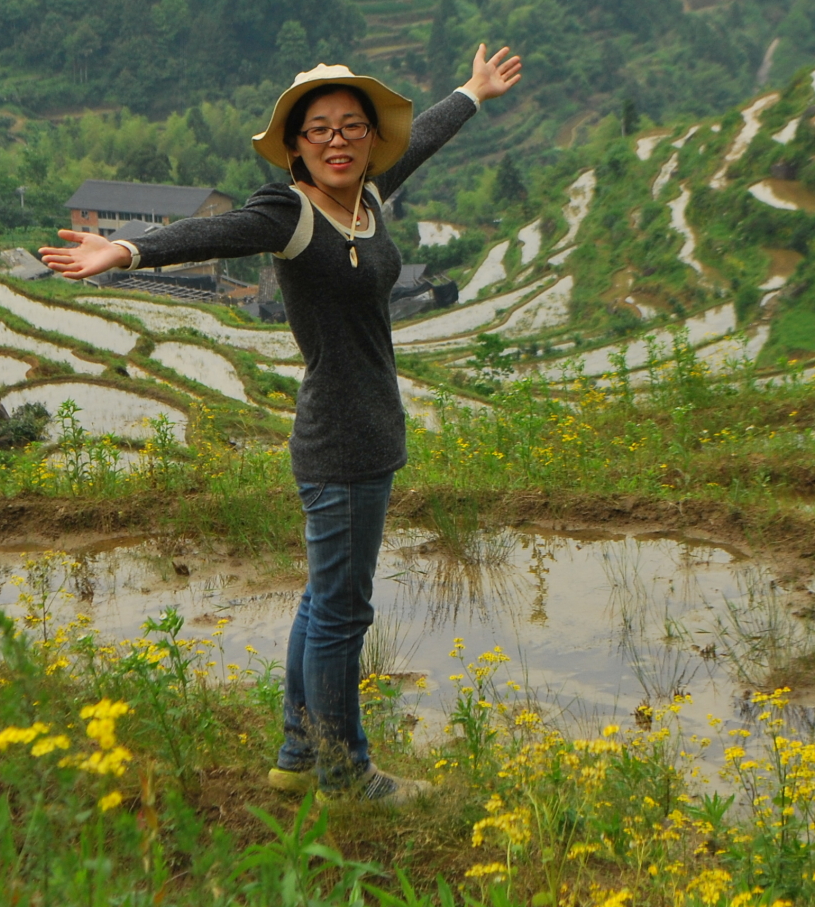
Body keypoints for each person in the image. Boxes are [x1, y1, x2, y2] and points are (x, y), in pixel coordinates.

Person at [39, 44, 523, 803]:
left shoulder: (366, 197)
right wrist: (129, 249)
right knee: (344, 610)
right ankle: (345, 770)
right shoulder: (291, 211)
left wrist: (472, 91)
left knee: (322, 598)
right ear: (296, 145)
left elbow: (420, 138)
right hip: (339, 438)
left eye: (352, 127)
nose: (338, 140)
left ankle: (299, 753)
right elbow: (216, 233)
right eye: (321, 129)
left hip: (367, 431)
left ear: (369, 139)